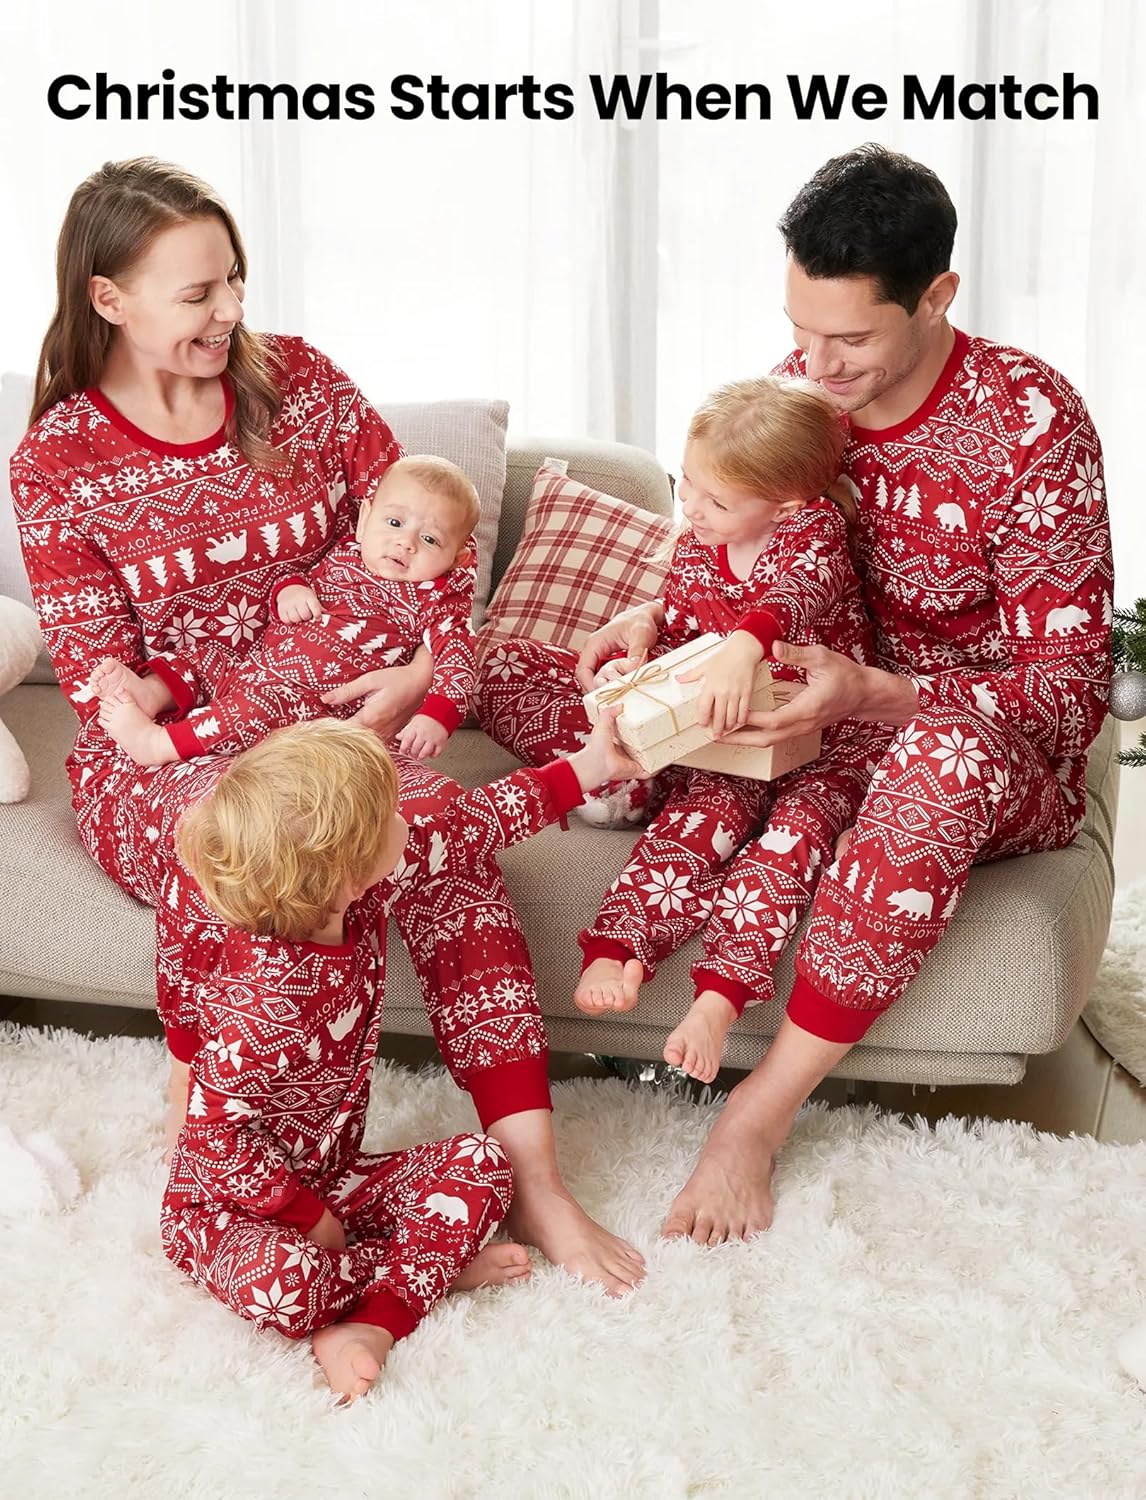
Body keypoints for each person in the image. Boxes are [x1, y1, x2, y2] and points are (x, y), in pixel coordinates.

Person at [11, 155, 646, 1295]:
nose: (230, 310)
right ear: (109, 299)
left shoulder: (296, 381)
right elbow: (99, 666)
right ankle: (220, 1149)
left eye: (234, 280)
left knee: (442, 854)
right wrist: (197, 719)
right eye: (197, 292)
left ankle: (536, 1180)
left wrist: (417, 676)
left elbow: (435, 535)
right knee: (299, 834)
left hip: (349, 713)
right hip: (175, 763)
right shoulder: (58, 459)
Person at [479, 143, 1113, 1245]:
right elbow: (735, 540)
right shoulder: (803, 393)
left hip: (969, 745)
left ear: (937, 297)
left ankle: (754, 1120)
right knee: (518, 668)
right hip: (788, 723)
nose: (814, 364)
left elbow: (1070, 696)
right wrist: (654, 622)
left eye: (849, 339)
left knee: (940, 760)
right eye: (800, 329)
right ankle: (644, 816)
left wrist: (873, 693)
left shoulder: (1032, 425)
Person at [165, 708, 643, 1403]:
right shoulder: (261, 1005)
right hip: (231, 1213)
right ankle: (408, 1280)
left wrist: (593, 765)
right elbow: (211, 1140)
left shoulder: (353, 894)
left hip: (331, 1175)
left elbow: (477, 822)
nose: (407, 820)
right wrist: (307, 1219)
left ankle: (375, 1314)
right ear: (345, 871)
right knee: (287, 1288)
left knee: (486, 1165)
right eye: (392, 815)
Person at [567, 377, 876, 1084]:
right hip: (731, 748)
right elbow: (682, 628)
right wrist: (641, 654)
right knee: (695, 823)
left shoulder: (813, 532)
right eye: (688, 486)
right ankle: (619, 951)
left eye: (717, 501)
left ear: (785, 504)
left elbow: (797, 593)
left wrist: (746, 644)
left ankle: (717, 1001)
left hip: (828, 750)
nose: (692, 509)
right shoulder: (698, 544)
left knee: (788, 845)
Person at [88, 452, 480, 766]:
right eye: (394, 522)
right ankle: (152, 694)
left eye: (430, 539)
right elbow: (300, 577)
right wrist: (291, 589)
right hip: (253, 668)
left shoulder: (435, 599)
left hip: (311, 708)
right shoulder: (347, 554)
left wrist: (437, 715)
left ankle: (157, 744)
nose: (406, 543)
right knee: (204, 658)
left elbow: (459, 658)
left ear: (458, 558)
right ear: (364, 521)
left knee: (253, 711)